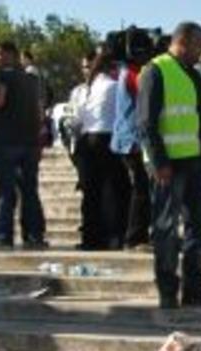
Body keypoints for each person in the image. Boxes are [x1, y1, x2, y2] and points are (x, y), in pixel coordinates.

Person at [138, 21, 201, 309]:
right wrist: (159, 161)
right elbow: (146, 123)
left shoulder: (194, 76)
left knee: (200, 225)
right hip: (169, 166)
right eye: (199, 44)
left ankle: (194, 288)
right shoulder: (156, 70)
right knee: (165, 229)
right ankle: (167, 290)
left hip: (195, 163)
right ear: (184, 41)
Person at [0, 40, 47, 250]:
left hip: (6, 141)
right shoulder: (32, 79)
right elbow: (40, 112)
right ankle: (34, 236)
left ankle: (4, 237)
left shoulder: (1, 75)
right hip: (30, 142)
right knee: (30, 191)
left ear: (11, 55)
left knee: (5, 191)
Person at [76, 50, 128, 250]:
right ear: (113, 68)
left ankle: (90, 239)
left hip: (87, 140)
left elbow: (79, 117)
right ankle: (115, 236)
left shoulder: (87, 88)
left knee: (91, 193)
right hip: (108, 139)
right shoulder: (115, 86)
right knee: (117, 190)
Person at [111, 50, 152, 250]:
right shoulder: (134, 73)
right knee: (141, 190)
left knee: (137, 189)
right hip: (133, 140)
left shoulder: (123, 71)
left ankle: (133, 235)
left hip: (124, 138)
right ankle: (136, 237)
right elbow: (147, 94)